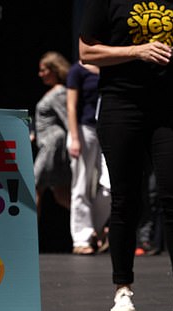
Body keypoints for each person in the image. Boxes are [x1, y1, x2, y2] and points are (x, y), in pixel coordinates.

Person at [79, 0, 173, 311]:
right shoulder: (108, 2)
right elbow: (86, 53)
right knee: (126, 199)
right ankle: (122, 290)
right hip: (121, 105)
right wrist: (137, 51)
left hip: (168, 105)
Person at [66, 60, 111, 255]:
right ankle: (81, 238)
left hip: (108, 129)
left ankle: (96, 228)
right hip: (84, 130)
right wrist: (75, 137)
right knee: (81, 185)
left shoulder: (111, 68)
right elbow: (71, 106)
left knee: (110, 185)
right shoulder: (78, 71)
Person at [32, 51, 72, 216]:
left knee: (34, 186)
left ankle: (30, 235)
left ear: (55, 70)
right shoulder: (54, 92)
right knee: (61, 194)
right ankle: (96, 230)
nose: (40, 74)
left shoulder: (59, 92)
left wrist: (75, 144)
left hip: (53, 145)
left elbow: (68, 119)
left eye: (44, 70)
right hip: (48, 142)